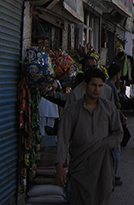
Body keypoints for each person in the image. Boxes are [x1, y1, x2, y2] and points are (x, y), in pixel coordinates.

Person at [54, 67, 123, 205]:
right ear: (85, 86)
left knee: (103, 198)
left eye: (99, 86)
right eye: (93, 85)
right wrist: (60, 166)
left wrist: (104, 145)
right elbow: (63, 139)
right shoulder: (72, 110)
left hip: (103, 166)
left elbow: (118, 133)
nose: (96, 89)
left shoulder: (109, 109)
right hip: (80, 167)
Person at [46, 55, 114, 108]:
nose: (91, 69)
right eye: (88, 66)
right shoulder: (77, 91)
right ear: (83, 68)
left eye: (94, 66)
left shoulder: (108, 90)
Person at [105, 63, 124, 186]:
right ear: (118, 74)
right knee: (115, 151)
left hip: (106, 121)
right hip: (112, 122)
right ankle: (111, 176)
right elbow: (117, 104)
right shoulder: (111, 86)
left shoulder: (107, 85)